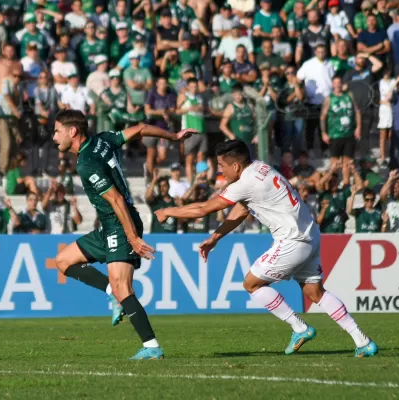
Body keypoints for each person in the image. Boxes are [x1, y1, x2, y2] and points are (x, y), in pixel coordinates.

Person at [154, 140, 378, 357]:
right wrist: (216, 237)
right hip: (310, 235)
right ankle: (363, 341)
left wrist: (168, 211)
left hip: (292, 240)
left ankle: (299, 328)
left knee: (251, 284)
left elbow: (204, 208)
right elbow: (241, 211)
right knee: (314, 292)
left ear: (235, 166)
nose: (219, 171)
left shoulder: (245, 183)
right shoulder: (261, 168)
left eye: (221, 166)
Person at [51, 109, 196, 360]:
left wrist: (132, 238)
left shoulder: (87, 163)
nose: (54, 137)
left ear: (72, 131)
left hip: (120, 223)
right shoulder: (103, 139)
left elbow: (116, 200)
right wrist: (173, 136)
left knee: (124, 288)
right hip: (108, 226)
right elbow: (140, 128)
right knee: (63, 261)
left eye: (56, 131)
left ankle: (152, 346)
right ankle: (112, 295)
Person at [320, 75, 361, 183]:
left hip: (349, 133)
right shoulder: (329, 98)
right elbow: (323, 116)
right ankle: (331, 183)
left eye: (339, 82)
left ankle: (346, 183)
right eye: (335, 83)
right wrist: (324, 132)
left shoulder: (349, 95)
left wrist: (358, 127)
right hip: (335, 134)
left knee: (347, 161)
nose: (337, 85)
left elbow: (357, 111)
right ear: (332, 84)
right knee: (334, 161)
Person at [177, 77, 206, 183]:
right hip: (189, 131)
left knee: (201, 156)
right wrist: (189, 108)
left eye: (195, 86)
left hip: (201, 129)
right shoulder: (184, 96)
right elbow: (177, 110)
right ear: (188, 87)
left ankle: (200, 182)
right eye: (192, 86)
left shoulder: (199, 96)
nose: (194, 88)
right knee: (189, 158)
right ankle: (190, 183)